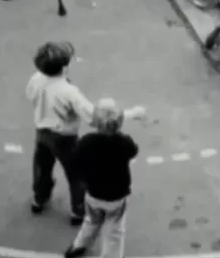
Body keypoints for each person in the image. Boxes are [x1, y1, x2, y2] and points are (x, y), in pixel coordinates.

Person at [26, 42, 145, 225]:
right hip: (64, 138)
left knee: (42, 168)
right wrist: (133, 113)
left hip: (42, 130)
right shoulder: (68, 92)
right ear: (65, 67)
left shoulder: (35, 79)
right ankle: (78, 210)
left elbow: (30, 96)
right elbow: (96, 118)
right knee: (76, 175)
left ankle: (39, 199)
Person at [63, 99, 139, 258]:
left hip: (93, 192)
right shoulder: (123, 142)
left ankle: (79, 245)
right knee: (114, 229)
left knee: (91, 220)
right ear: (119, 124)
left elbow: (77, 162)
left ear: (95, 123)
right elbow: (134, 151)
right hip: (116, 195)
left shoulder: (87, 141)